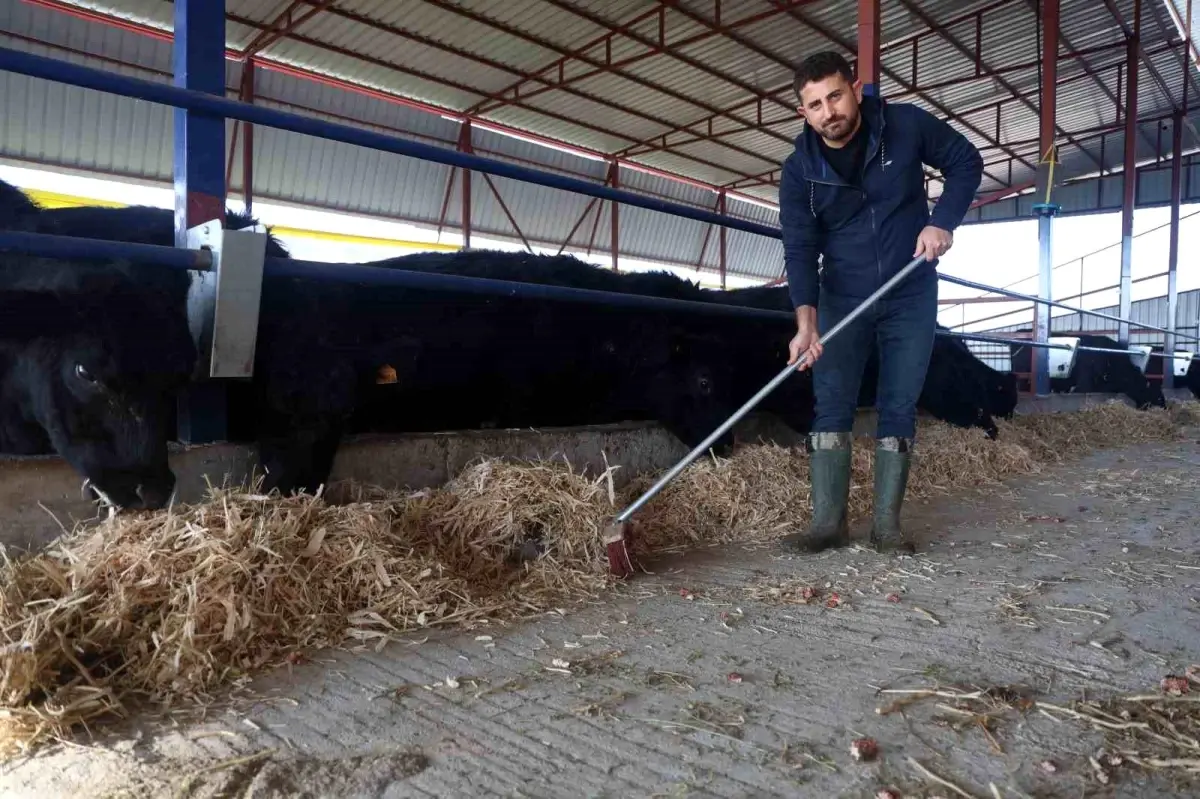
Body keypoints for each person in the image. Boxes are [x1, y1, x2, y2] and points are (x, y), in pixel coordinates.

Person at [777, 50, 983, 555]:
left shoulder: (905, 125)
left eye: (835, 95)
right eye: (815, 104)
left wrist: (944, 221)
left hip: (909, 291)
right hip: (842, 298)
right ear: (803, 113)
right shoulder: (799, 170)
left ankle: (886, 528)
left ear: (856, 87)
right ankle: (828, 524)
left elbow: (965, 161)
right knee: (832, 404)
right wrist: (806, 323)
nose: (829, 111)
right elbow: (800, 248)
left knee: (899, 403)